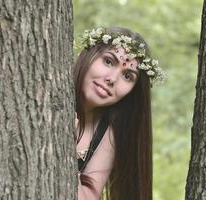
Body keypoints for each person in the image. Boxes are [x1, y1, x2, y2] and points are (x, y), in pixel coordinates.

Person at [74, 27, 166, 200]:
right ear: (89, 54)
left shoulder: (108, 134)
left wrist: (65, 147)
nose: (112, 79)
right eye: (108, 61)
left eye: (127, 76)